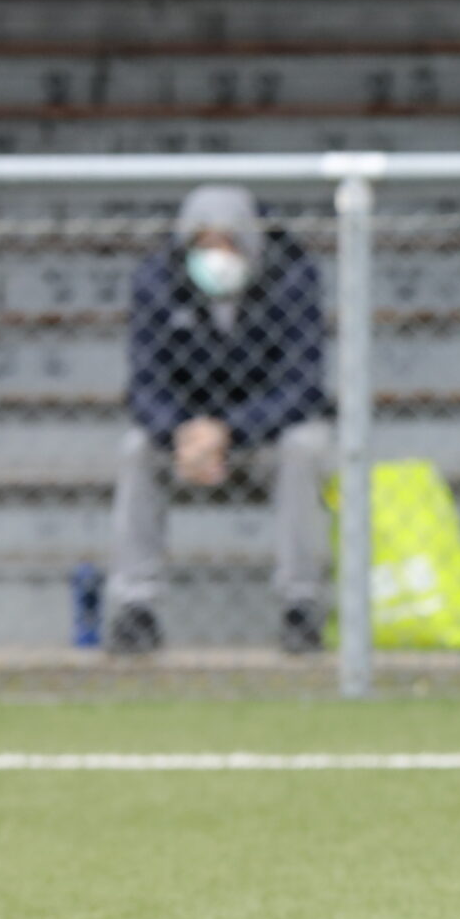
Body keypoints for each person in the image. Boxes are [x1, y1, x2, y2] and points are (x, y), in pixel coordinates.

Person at [107, 185, 332, 654]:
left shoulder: (291, 278)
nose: (216, 255)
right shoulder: (158, 280)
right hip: (187, 441)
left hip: (264, 435)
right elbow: (144, 385)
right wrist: (181, 433)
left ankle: (302, 605)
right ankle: (135, 608)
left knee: (305, 447)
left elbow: (303, 386)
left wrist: (230, 430)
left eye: (228, 242)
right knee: (136, 450)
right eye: (204, 243)